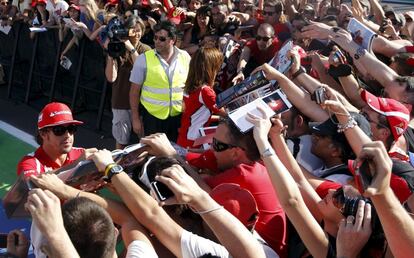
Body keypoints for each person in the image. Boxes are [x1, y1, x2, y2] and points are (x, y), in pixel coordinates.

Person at [142, 119, 288, 257]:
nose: (212, 148)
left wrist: (170, 153)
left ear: (236, 153)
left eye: (217, 144)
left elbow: (200, 194)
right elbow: (192, 159)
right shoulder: (254, 160)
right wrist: (173, 152)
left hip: (258, 253)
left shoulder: (245, 175)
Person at [16, 102, 95, 258]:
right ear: (44, 134)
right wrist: (77, 165)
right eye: (59, 130)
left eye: (71, 129)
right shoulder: (30, 162)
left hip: (84, 231)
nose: (68, 135)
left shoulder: (81, 153)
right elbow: (34, 183)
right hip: (49, 240)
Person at [129, 20, 191, 142]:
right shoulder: (143, 59)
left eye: (162, 39)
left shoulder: (185, 57)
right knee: (154, 157)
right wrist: (135, 119)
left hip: (177, 117)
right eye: (155, 38)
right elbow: (134, 91)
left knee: (174, 155)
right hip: (152, 118)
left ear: (172, 40)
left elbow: (189, 87)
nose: (157, 41)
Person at [105, 15, 151, 149]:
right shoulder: (118, 48)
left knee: (144, 142)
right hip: (121, 102)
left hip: (141, 103)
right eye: (133, 30)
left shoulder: (146, 50)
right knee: (121, 141)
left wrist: (131, 48)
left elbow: (141, 69)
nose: (136, 34)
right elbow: (111, 78)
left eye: (139, 30)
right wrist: (110, 55)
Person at [177, 47, 226, 148]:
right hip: (193, 142)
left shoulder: (190, 86)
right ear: (211, 67)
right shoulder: (205, 91)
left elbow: (199, 116)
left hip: (184, 138)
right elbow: (226, 113)